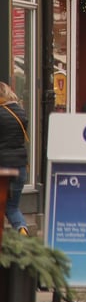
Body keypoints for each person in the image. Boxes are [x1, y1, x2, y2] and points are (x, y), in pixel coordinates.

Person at [0, 82, 30, 235]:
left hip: (3, 166)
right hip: (19, 166)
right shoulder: (20, 112)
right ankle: (22, 230)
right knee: (12, 207)